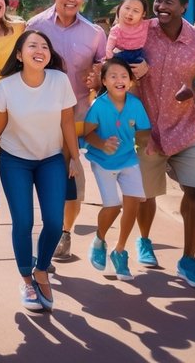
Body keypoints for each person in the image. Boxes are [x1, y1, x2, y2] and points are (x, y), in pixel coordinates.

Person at [129, 0, 195, 289]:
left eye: (168, 1)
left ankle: (188, 259)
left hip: (186, 129)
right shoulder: (142, 32)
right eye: (158, 1)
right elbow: (115, 48)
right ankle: (145, 240)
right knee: (146, 194)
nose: (161, 6)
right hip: (147, 130)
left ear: (184, 7)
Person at [0, 30, 81, 312]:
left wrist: (74, 158)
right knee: (24, 221)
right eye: (32, 45)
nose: (39, 50)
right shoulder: (5, 87)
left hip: (51, 158)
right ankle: (27, 280)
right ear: (19, 55)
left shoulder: (59, 80)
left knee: (54, 222)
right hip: (14, 160)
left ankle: (42, 270)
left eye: (44, 46)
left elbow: (67, 122)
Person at [27, 0, 105, 261]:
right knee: (45, 176)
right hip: (40, 114)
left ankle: (65, 232)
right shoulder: (35, 27)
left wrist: (97, 77)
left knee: (72, 175)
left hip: (75, 116)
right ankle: (50, 229)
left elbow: (104, 72)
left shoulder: (94, 32)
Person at [82, 59, 152, 282]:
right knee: (112, 207)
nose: (119, 80)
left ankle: (120, 251)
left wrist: (148, 144)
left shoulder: (135, 105)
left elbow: (144, 131)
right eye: (112, 76)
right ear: (104, 81)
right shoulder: (99, 105)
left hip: (128, 160)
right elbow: (87, 133)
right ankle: (99, 240)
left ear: (130, 82)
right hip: (102, 162)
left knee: (132, 205)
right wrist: (102, 143)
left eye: (123, 76)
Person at [106, 0, 150, 66]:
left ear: (143, 14)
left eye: (135, 11)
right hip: (122, 55)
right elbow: (109, 49)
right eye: (127, 8)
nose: (130, 13)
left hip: (140, 55)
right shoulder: (116, 30)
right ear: (119, 8)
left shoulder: (146, 24)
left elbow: (159, 22)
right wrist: (110, 62)